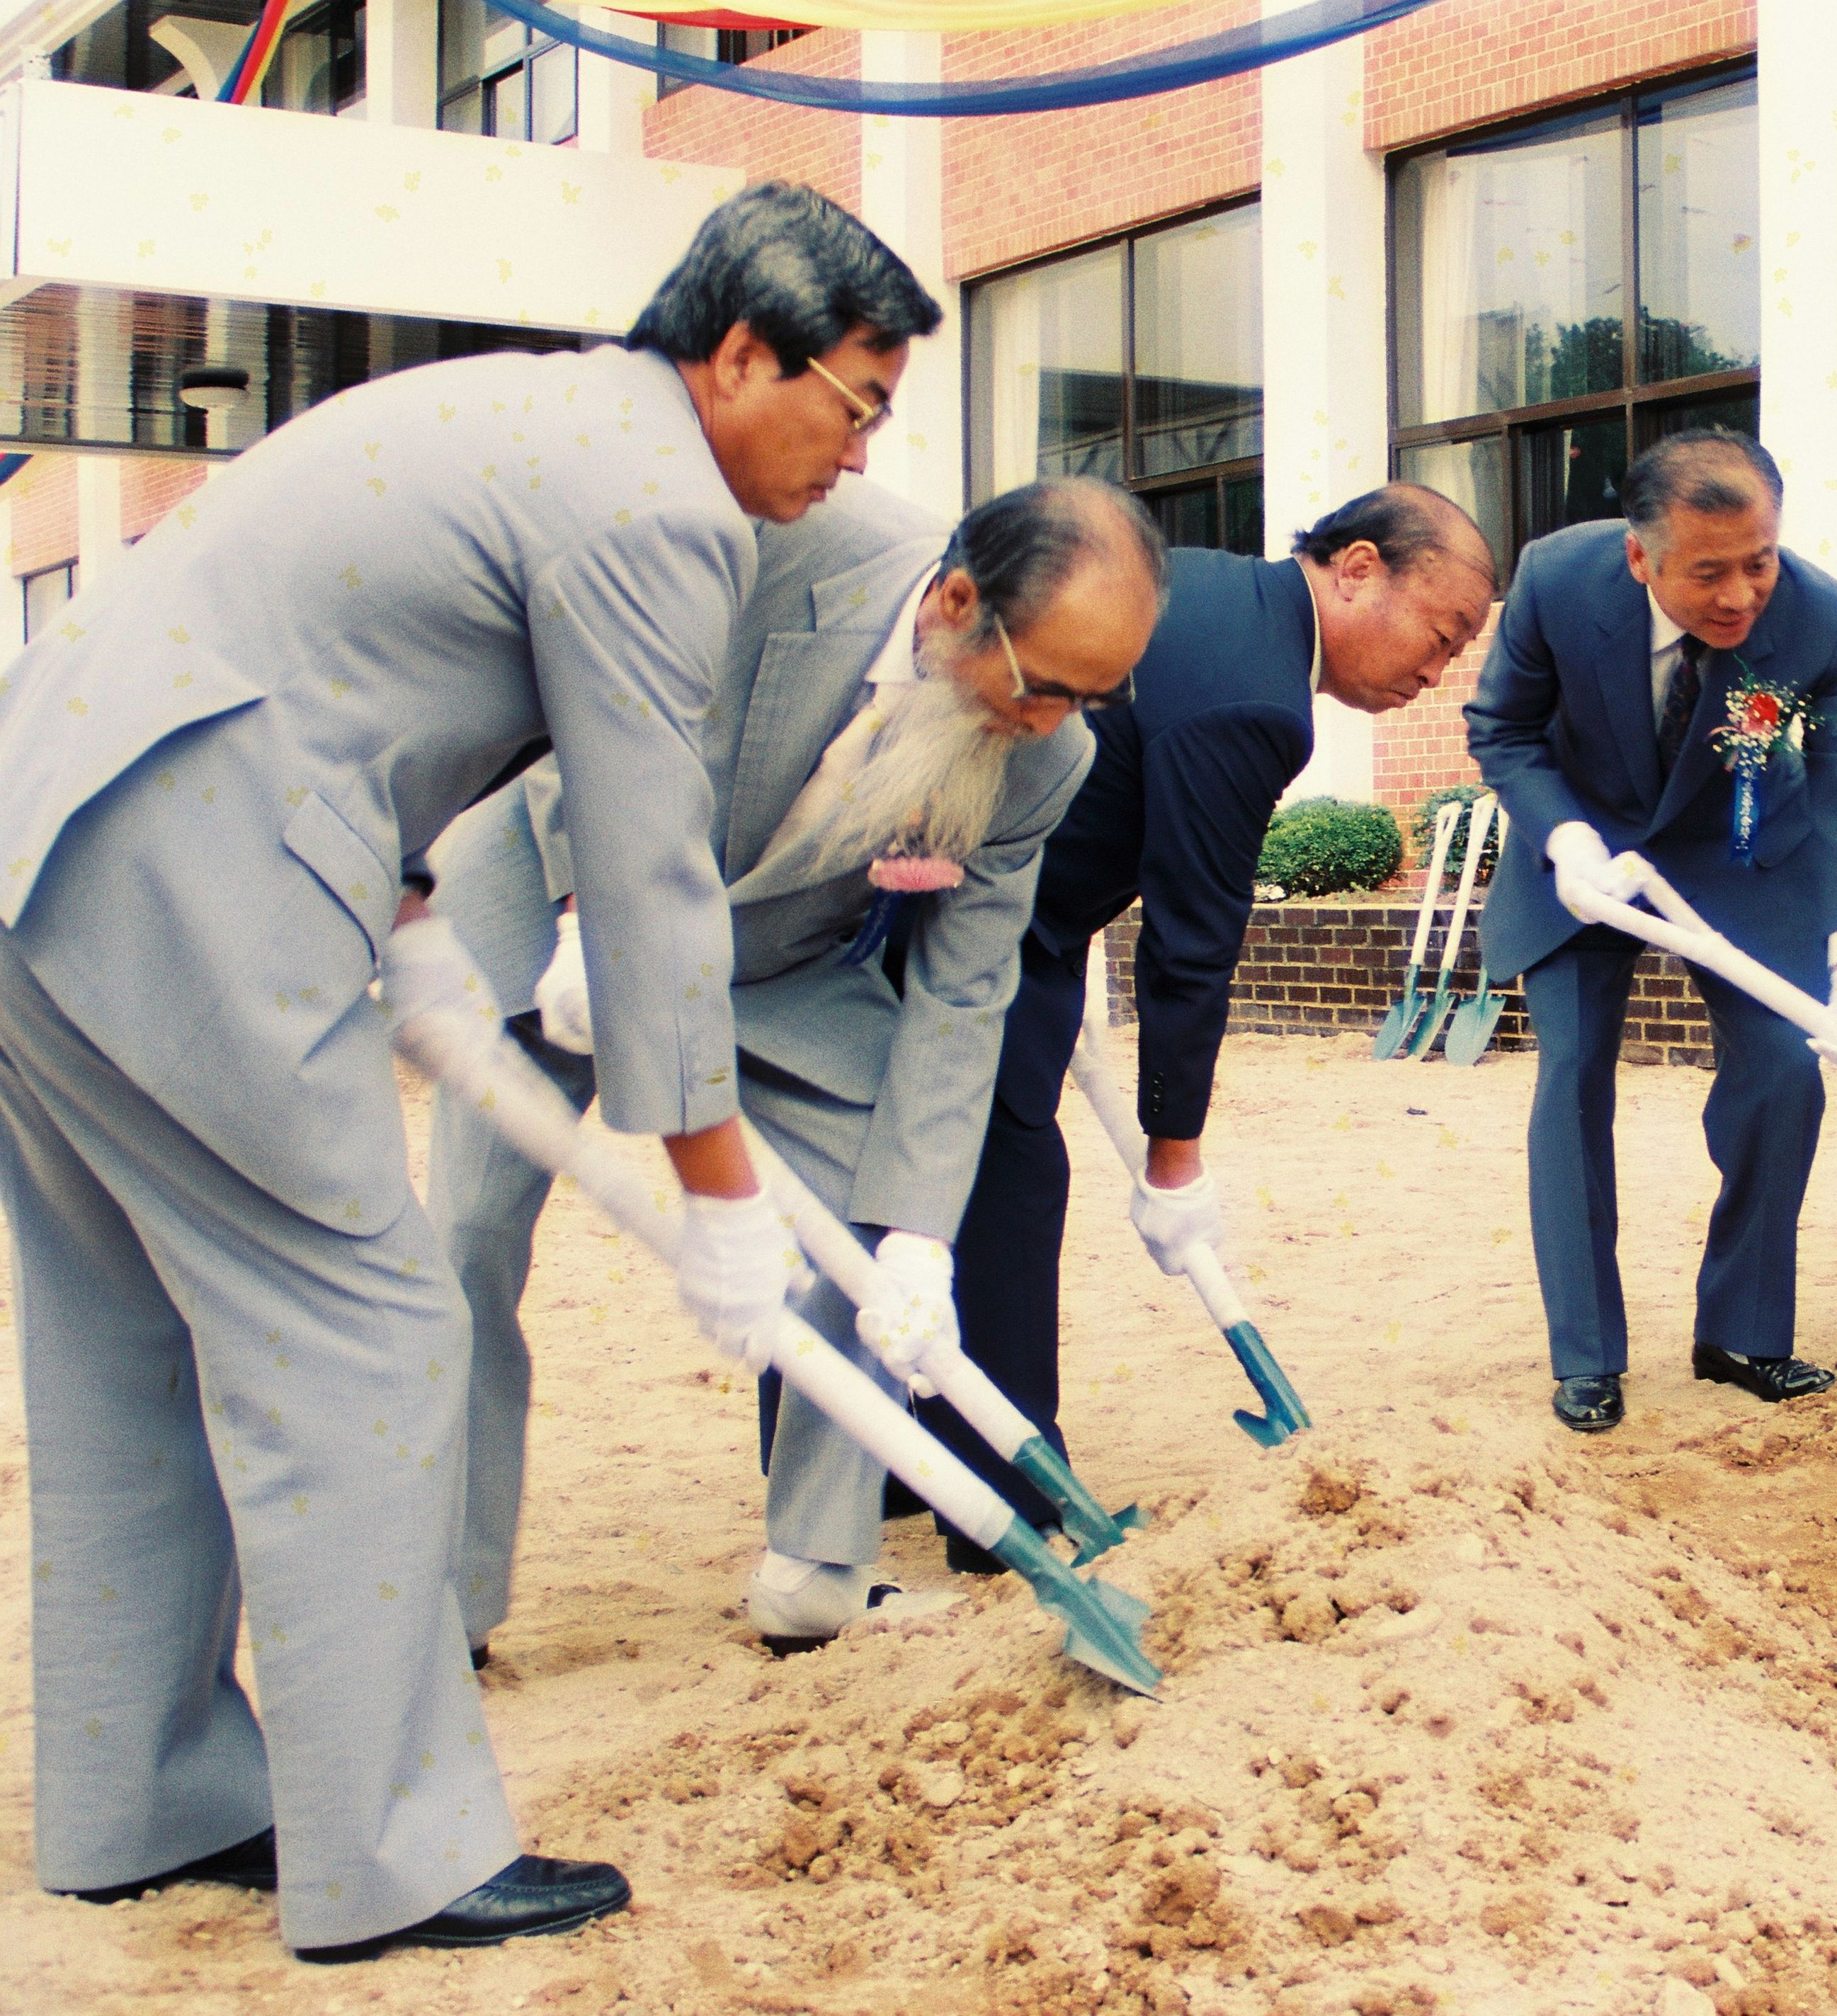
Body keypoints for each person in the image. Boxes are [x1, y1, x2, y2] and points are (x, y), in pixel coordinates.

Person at [0, 182, 935, 1960]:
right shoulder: (663, 501)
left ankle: (148, 1793)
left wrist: (413, 903)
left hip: (46, 830)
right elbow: (655, 865)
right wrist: (722, 1192)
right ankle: (395, 1850)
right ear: (742, 353)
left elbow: (352, 647)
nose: (858, 445)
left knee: (124, 1329)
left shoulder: (528, 415)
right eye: (859, 398)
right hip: (202, 864)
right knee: (372, 1328)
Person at [424, 474, 1161, 1653]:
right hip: (553, 902)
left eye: (1095, 695)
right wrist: (583, 909)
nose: (1053, 723)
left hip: (771, 956)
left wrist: (919, 1231)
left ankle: (817, 1568)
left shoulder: (1049, 755)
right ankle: (443, 1607)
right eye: (1042, 686)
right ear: (954, 605)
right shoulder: (785, 540)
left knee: (892, 1177)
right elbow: (599, 693)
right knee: (468, 1236)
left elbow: (964, 988)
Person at [936, 484, 1493, 1561]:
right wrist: (1175, 1161)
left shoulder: (1205, 581)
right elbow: (1192, 937)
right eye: (1440, 635)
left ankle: (894, 1465)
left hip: (1003, 908)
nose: (1434, 675)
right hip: (982, 923)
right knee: (1008, 1174)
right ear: (1360, 567)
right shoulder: (1257, 699)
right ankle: (1007, 1497)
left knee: (907, 1180)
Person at [1465, 430, 1837, 1434]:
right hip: (1583, 847)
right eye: (1709, 572)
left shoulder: (1822, 620)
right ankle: (1587, 1355)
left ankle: (1742, 1332)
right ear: (1640, 556)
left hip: (1736, 844)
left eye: (1760, 560)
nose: (1742, 594)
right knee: (1572, 1072)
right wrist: (1565, 836)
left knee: (1783, 1074)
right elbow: (1505, 728)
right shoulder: (1557, 580)